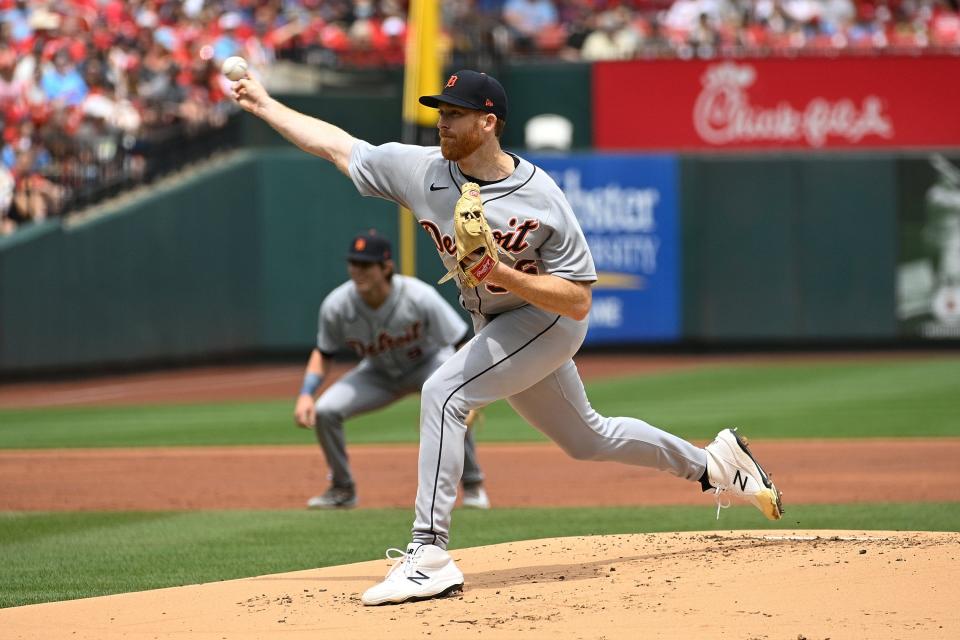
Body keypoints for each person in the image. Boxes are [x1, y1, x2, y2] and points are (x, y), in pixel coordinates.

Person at [231, 68, 783, 606]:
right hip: (494, 323)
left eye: (454, 115)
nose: (441, 124)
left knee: (443, 392)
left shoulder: (539, 194)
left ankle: (428, 554)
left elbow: (579, 298)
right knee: (587, 438)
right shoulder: (421, 170)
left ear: (488, 122)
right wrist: (264, 104)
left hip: (546, 320)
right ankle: (715, 464)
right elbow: (338, 146)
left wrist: (504, 274)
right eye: (440, 113)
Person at [294, 230, 490, 510]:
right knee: (326, 411)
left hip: (428, 363)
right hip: (377, 374)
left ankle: (472, 485)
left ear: (386, 267)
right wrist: (306, 394)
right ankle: (342, 489)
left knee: (450, 400)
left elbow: (461, 342)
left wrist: (466, 390)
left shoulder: (419, 296)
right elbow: (324, 353)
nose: (357, 271)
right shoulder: (337, 305)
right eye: (353, 263)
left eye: (366, 264)